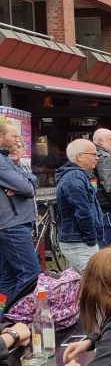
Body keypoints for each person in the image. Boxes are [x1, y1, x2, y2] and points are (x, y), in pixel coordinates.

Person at [0, 122, 39, 301]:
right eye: (14, 136)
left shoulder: (5, 160)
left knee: (8, 277)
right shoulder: (1, 161)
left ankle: (4, 318)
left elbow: (31, 179)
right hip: (12, 225)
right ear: (1, 137)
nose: (17, 140)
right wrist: (23, 183)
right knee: (30, 274)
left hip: (11, 224)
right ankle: (22, 316)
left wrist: (23, 181)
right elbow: (28, 188)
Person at [55, 139, 103, 273]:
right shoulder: (75, 177)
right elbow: (82, 211)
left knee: (82, 283)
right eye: (93, 154)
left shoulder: (79, 176)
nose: (97, 157)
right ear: (80, 156)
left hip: (79, 240)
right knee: (97, 281)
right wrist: (91, 239)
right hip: (79, 241)